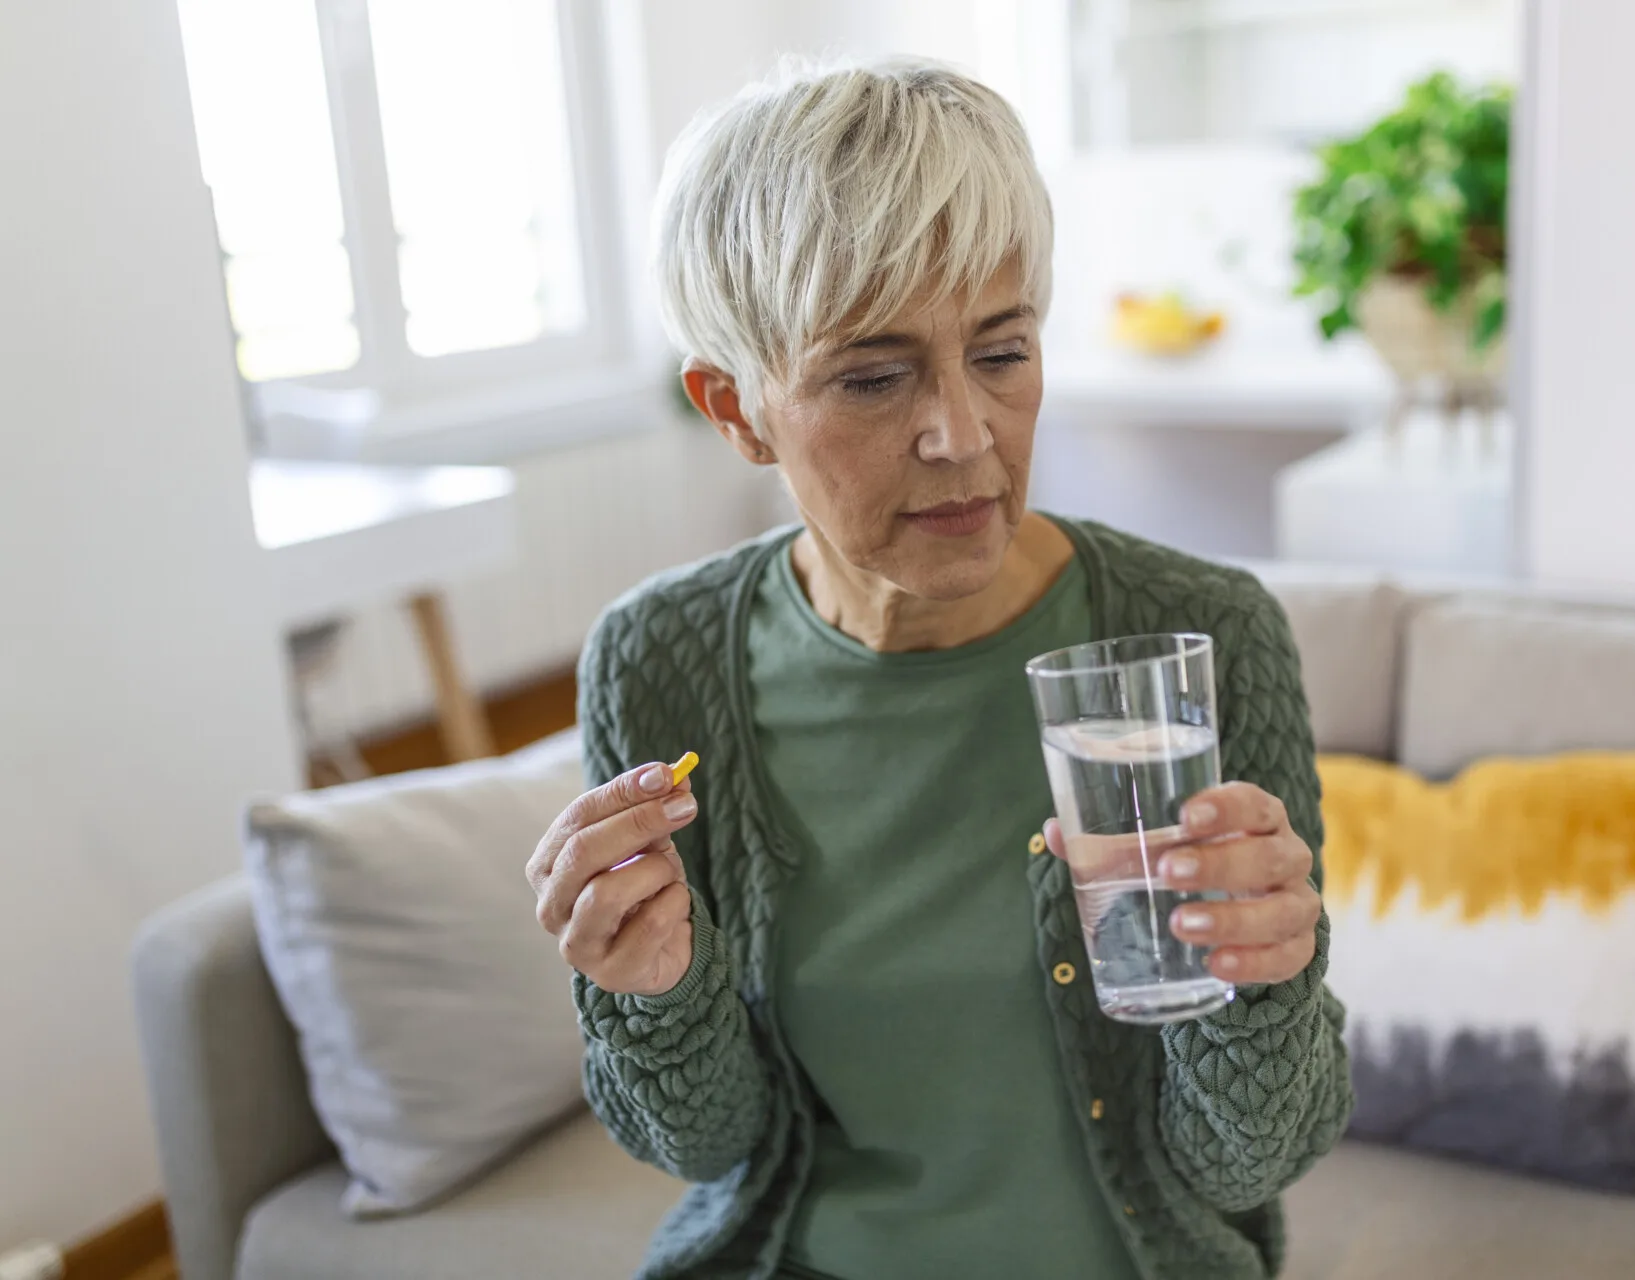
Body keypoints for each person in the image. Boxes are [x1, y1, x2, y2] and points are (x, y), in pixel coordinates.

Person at [525, 57, 1351, 1280]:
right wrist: (649, 993)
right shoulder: (658, 659)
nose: (963, 433)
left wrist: (1269, 981)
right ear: (736, 408)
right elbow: (704, 1145)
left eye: (1003, 354)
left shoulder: (1203, 631)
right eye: (873, 375)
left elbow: (1251, 1160)